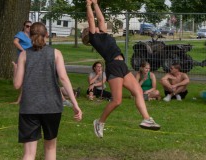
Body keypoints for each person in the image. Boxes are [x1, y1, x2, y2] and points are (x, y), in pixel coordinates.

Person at [83, 0, 160, 138]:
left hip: (122, 64)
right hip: (113, 66)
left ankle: (147, 119)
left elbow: (100, 18)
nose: (96, 27)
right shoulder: (95, 38)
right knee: (117, 101)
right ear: (89, 33)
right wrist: (88, 5)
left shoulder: (104, 34)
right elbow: (91, 19)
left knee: (138, 91)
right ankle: (99, 122)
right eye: (90, 29)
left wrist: (95, 4)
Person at [12, 22, 82, 160]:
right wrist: (75, 104)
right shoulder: (56, 53)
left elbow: (17, 84)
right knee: (50, 148)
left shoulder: (24, 55)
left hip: (29, 108)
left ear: (30, 35)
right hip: (52, 107)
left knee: (28, 154)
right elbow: (64, 78)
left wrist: (15, 71)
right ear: (47, 34)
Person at [11, 20, 33, 104]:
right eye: (27, 26)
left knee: (27, 78)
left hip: (31, 58)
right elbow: (15, 42)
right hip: (23, 58)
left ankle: (21, 99)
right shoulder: (21, 34)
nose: (29, 28)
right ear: (24, 26)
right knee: (22, 78)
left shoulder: (32, 36)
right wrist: (22, 50)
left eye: (30, 26)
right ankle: (20, 100)